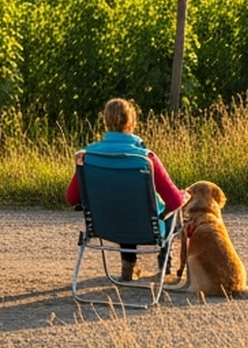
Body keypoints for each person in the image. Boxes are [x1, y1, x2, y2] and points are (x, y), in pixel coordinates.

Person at [65, 97, 185, 280]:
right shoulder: (145, 158)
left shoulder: (87, 156)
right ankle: (165, 269)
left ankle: (128, 265)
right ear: (131, 122)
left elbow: (72, 197)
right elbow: (174, 201)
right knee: (168, 212)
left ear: (105, 121)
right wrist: (185, 196)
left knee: (120, 203)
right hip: (147, 228)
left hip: (104, 225)